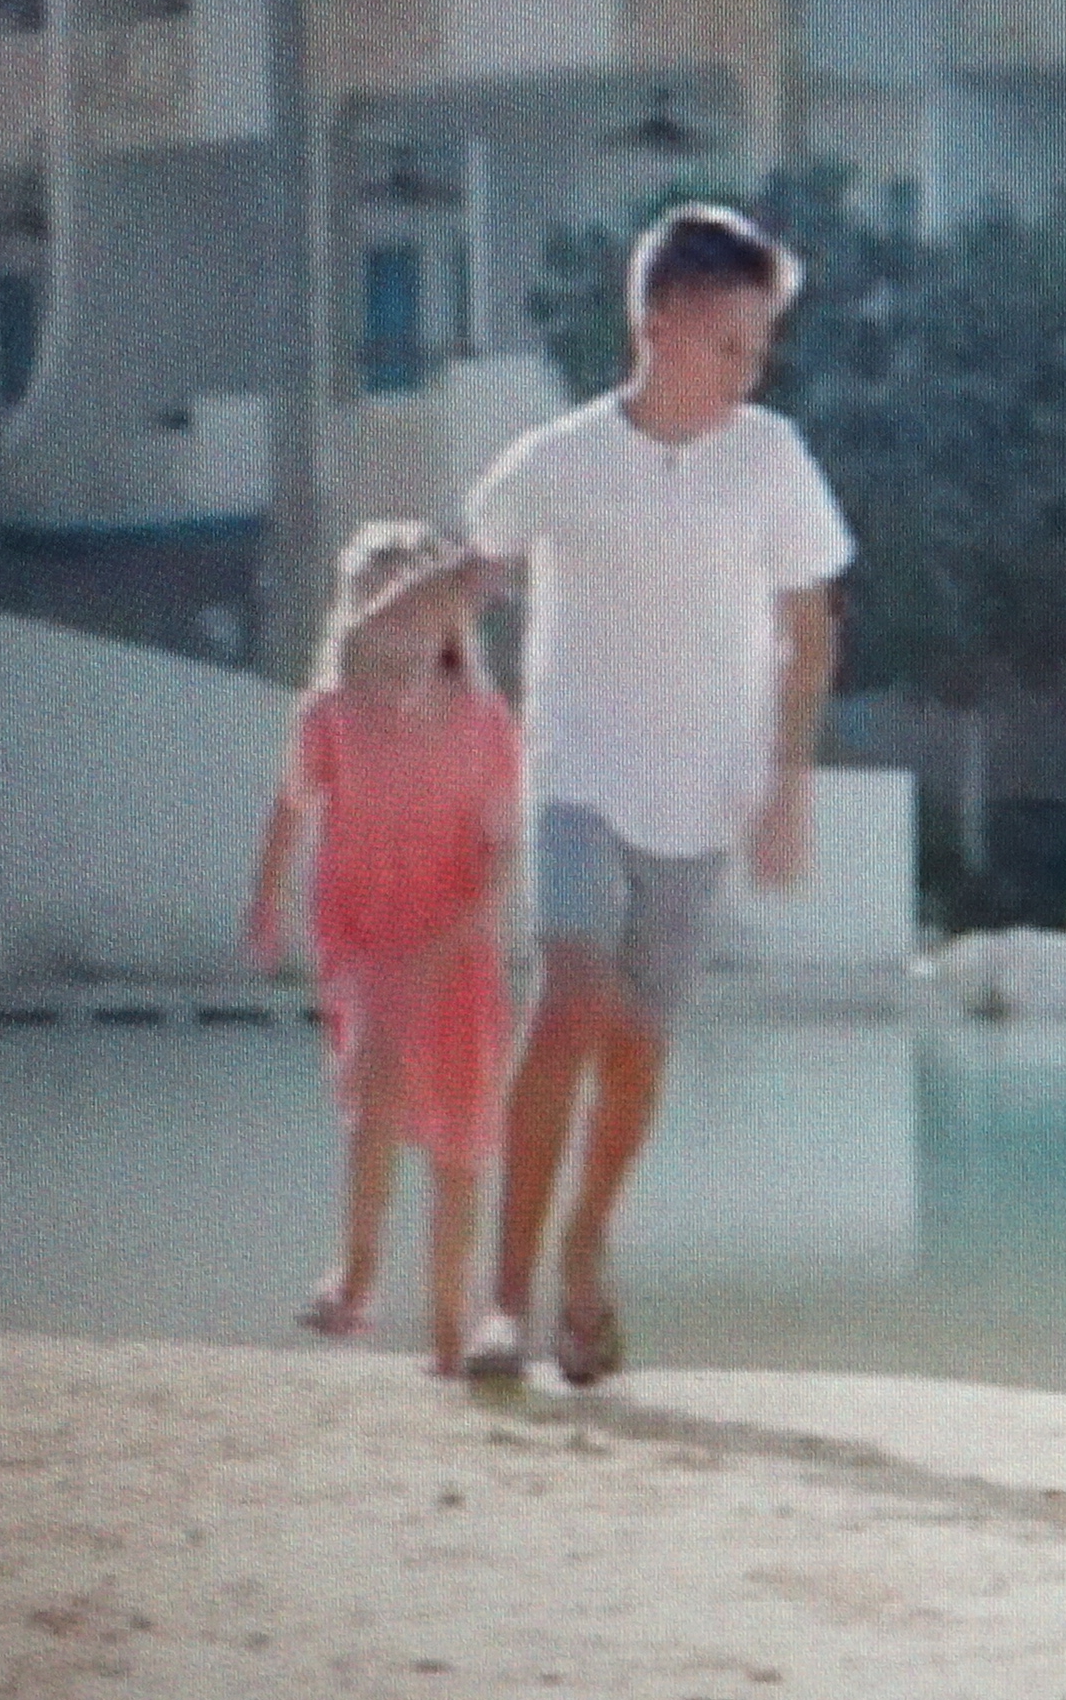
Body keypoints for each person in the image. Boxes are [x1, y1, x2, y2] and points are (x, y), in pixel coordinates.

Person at [454, 202, 854, 1388]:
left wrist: (788, 783)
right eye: (729, 342)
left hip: (705, 789)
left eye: (760, 347)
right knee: (569, 993)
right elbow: (473, 571)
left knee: (636, 1042)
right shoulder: (560, 457)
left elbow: (812, 629)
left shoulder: (771, 457)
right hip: (577, 770)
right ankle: (504, 1301)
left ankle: (587, 1246)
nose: (748, 367)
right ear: (657, 321)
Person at [242, 523, 521, 1374]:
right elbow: (293, 808)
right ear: (354, 617)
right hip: (364, 935)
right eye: (381, 600)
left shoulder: (481, 721)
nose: (401, 622)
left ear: (449, 622)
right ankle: (357, 1278)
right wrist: (267, 901)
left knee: (462, 1147)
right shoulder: (326, 714)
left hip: (457, 941)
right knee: (382, 1077)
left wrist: (466, 930)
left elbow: (505, 850)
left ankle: (447, 1329)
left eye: (417, 601)